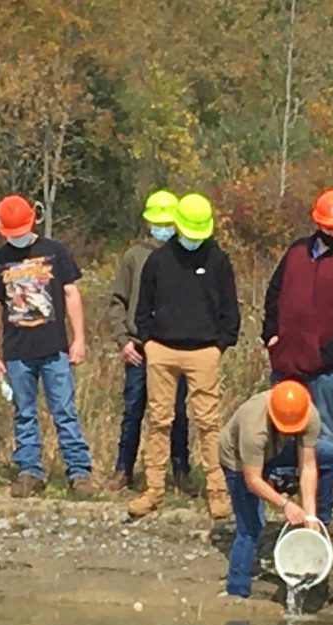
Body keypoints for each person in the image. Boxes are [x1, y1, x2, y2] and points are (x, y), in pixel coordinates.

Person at [129, 193, 240, 520]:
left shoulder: (218, 260)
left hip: (204, 351)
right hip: (162, 350)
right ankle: (153, 491)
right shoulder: (158, 261)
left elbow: (230, 309)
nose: (193, 240)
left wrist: (219, 345)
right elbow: (142, 307)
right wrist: (148, 342)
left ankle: (217, 492)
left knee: (209, 423)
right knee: (159, 421)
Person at [0, 194, 94, 498]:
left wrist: (79, 338)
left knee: (65, 411)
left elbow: (71, 294)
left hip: (55, 349)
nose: (17, 237)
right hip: (17, 353)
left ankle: (78, 471)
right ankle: (30, 470)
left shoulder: (55, 252)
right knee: (24, 413)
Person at [106, 189, 195, 495]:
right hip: (138, 349)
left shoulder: (185, 257)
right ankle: (123, 469)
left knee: (177, 413)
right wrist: (123, 341)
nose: (163, 229)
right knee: (134, 409)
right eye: (158, 223)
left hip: (174, 346)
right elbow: (117, 300)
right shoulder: (134, 257)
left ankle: (181, 471)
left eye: (168, 223)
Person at [262, 188, 333, 444]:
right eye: (328, 226)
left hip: (328, 370)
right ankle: (283, 480)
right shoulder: (296, 251)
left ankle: (321, 484)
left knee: (324, 434)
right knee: (279, 430)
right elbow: (274, 292)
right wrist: (271, 335)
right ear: (317, 221)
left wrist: (326, 355)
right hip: (285, 358)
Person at [218, 380, 333, 598]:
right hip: (238, 460)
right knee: (251, 526)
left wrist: (310, 515)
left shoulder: (307, 414)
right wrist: (285, 504)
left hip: (278, 448)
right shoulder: (254, 426)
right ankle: (237, 589)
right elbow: (253, 480)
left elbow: (309, 465)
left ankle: (321, 524)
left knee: (329, 455)